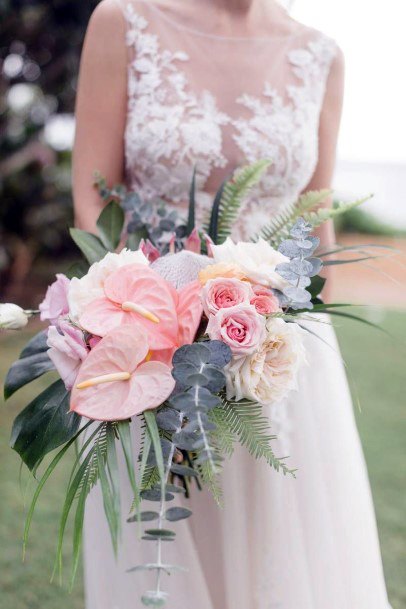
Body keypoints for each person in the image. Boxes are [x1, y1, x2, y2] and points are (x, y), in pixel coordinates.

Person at [73, 1, 391, 607]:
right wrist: (151, 319)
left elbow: (314, 224)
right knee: (162, 548)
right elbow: (94, 205)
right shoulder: (123, 20)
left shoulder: (321, 53)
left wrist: (301, 336)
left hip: (276, 348)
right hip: (150, 345)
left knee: (282, 547)